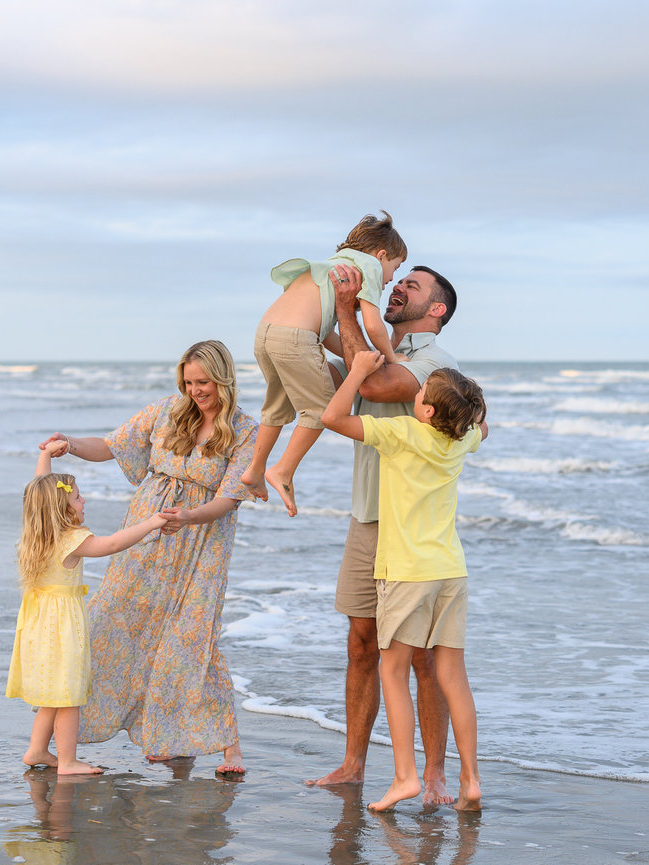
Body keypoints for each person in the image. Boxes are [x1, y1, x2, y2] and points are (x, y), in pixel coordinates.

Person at [40, 340, 256, 776]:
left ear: (224, 378)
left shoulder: (247, 431)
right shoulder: (166, 412)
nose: (196, 390)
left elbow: (231, 497)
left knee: (192, 637)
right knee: (114, 622)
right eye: (189, 382)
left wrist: (191, 515)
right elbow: (112, 445)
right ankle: (63, 740)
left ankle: (228, 748)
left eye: (204, 382)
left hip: (201, 544)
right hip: (145, 532)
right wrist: (71, 444)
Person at [306, 261, 463, 806]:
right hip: (365, 517)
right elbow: (348, 368)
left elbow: (368, 383)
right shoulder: (385, 349)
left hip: (410, 532)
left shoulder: (435, 366)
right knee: (360, 645)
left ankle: (435, 776)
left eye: (411, 286)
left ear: (436, 309)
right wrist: (318, 315)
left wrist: (349, 309)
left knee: (421, 656)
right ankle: (353, 765)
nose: (398, 288)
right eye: (398, 282)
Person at [322, 354, 486, 811]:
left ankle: (404, 778)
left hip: (406, 573)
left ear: (428, 411)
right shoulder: (461, 440)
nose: (413, 398)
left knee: (392, 671)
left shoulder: (402, 434)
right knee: (453, 675)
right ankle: (471, 780)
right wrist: (467, 414)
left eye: (419, 394)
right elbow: (481, 429)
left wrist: (355, 372)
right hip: (451, 570)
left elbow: (333, 417)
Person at [5, 459, 168, 775]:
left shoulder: (36, 533)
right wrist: (151, 522)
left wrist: (46, 456)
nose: (84, 501)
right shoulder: (71, 539)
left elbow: (40, 489)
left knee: (53, 692)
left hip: (37, 625)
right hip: (61, 628)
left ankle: (37, 749)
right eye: (77, 497)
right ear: (63, 509)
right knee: (68, 695)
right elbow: (112, 544)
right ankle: (67, 761)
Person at [241, 212, 408, 517]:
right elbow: (372, 325)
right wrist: (392, 357)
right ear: (381, 255)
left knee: (277, 406)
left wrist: (364, 358)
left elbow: (325, 333)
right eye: (395, 268)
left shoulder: (332, 266)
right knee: (321, 410)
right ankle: (282, 470)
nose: (392, 278)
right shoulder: (367, 266)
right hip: (295, 338)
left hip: (266, 334)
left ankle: (254, 469)